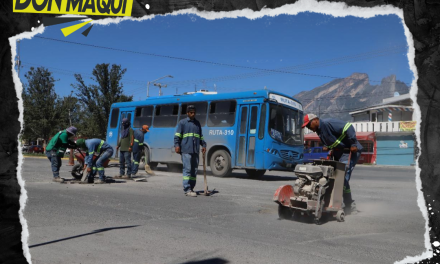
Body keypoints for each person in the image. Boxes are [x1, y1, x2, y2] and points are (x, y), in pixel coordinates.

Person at [301, 113, 363, 212]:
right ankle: (331, 201)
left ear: (315, 120)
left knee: (342, 178)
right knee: (330, 176)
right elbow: (335, 140)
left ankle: (349, 205)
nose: (308, 127)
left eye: (309, 124)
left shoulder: (327, 123)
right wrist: (328, 146)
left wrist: (353, 143)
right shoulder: (319, 130)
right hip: (339, 152)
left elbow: (348, 126)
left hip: (349, 151)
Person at [174, 105, 207, 197]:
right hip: (186, 150)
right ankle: (187, 189)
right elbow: (177, 136)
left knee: (194, 171)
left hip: (195, 151)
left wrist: (203, 145)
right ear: (187, 113)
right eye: (191, 112)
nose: (193, 114)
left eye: (194, 113)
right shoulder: (182, 123)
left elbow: (200, 137)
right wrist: (177, 146)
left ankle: (191, 188)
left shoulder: (197, 123)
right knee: (187, 169)